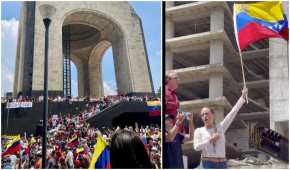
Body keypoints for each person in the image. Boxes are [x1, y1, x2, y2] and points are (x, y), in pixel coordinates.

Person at [194, 88, 248, 169]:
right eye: (202, 115)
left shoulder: (221, 127)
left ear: (213, 115)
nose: (205, 116)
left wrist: (242, 97)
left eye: (207, 114)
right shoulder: (199, 131)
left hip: (222, 164)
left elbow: (232, 113)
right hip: (208, 164)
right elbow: (196, 147)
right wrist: (210, 140)